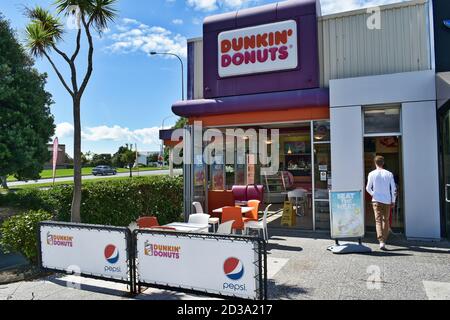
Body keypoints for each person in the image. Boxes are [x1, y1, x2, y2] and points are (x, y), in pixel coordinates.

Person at [366, 156, 397, 250]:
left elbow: (368, 188)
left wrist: (373, 194)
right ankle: (384, 239)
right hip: (387, 200)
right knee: (386, 220)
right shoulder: (389, 174)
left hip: (376, 200)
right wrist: (393, 200)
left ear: (375, 163)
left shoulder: (371, 174)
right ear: (383, 163)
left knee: (378, 221)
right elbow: (394, 189)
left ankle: (381, 241)